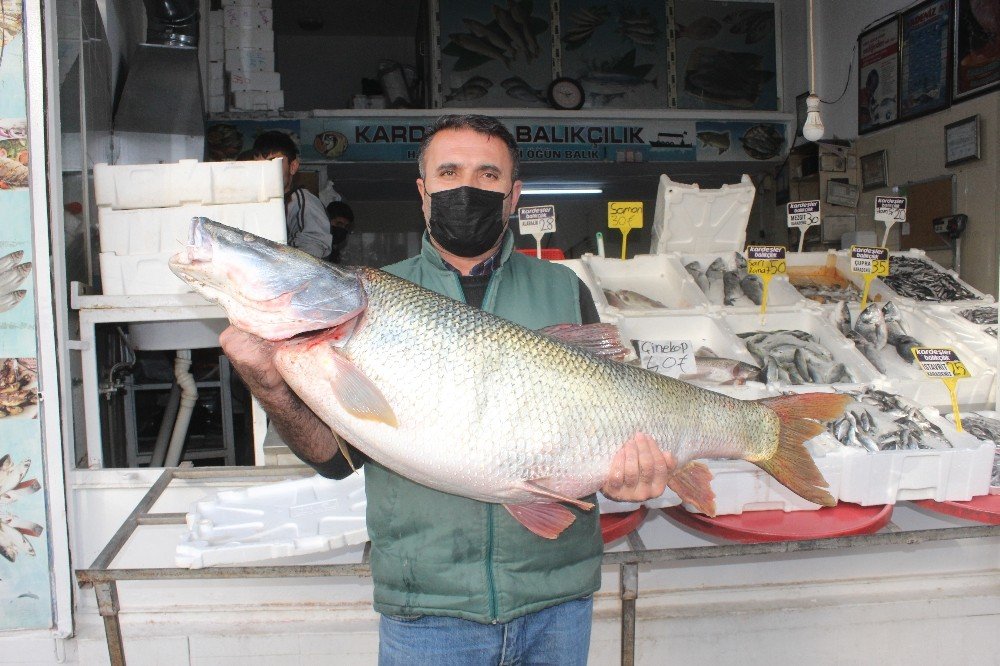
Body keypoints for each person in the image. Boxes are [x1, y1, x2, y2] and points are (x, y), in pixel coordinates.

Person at [221, 114, 672, 665]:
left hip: (556, 600)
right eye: (449, 171)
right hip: (427, 607)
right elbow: (333, 459)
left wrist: (629, 469)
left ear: (513, 194)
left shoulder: (563, 287)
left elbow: (600, 415)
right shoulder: (375, 298)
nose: (467, 188)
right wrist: (264, 375)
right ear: (423, 190)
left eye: (487, 174)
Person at [252, 130, 332, 259]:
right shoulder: (255, 203)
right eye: (260, 166)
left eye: (273, 163)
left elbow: (313, 246)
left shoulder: (302, 201)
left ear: (293, 166)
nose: (266, 171)